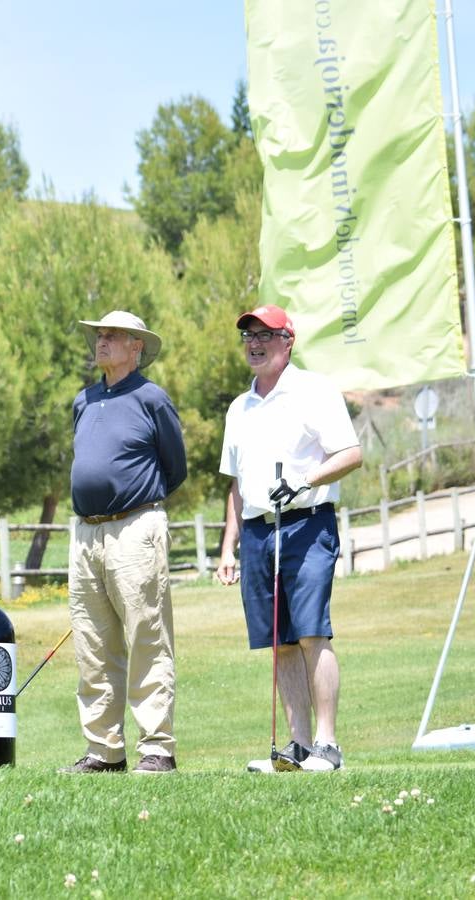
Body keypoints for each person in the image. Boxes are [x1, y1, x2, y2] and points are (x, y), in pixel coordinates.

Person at [214, 304, 362, 772]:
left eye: (265, 334)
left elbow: (352, 452)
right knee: (279, 642)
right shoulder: (239, 407)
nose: (254, 343)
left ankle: (327, 745)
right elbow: (236, 485)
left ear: (287, 341)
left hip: (306, 523)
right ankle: (296, 747)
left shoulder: (313, 391)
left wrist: (306, 479)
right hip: (258, 533)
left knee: (311, 632)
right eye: (248, 336)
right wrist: (227, 547)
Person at [62, 311, 187, 775]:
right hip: (86, 533)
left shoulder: (152, 398)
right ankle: (103, 750)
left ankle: (157, 748)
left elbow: (175, 469)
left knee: (147, 636)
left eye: (112, 335)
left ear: (137, 347)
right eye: (99, 334)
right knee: (92, 643)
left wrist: (135, 501)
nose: (102, 340)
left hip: (136, 527)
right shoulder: (85, 399)